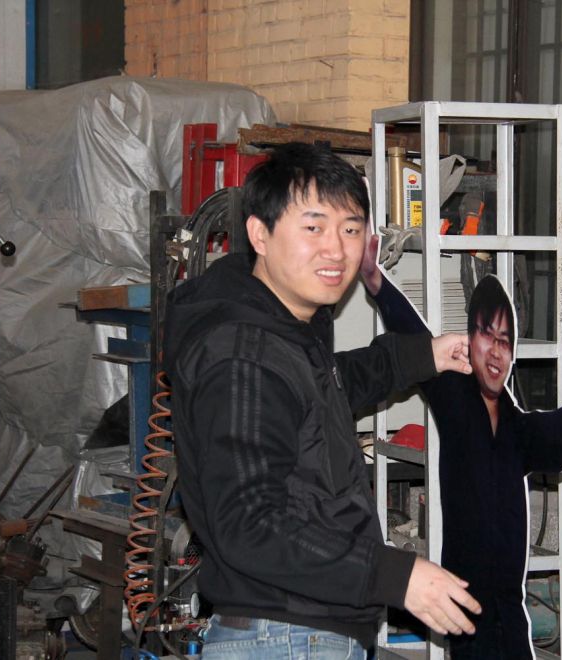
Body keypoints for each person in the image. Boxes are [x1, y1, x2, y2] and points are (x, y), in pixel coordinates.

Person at [163, 142, 483, 659]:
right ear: (260, 234)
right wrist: (393, 575)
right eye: (313, 228)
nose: (336, 249)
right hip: (285, 638)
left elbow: (320, 391)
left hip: (294, 630)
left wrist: (424, 354)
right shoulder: (244, 355)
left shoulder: (281, 327)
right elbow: (248, 525)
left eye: (350, 230)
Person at [361, 248, 562, 660]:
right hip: (468, 612)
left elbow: (560, 432)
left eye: (505, 341)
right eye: (487, 335)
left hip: (510, 614)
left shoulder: (518, 428)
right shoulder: (454, 396)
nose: (496, 351)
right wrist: (375, 280)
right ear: (469, 340)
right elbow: (414, 334)